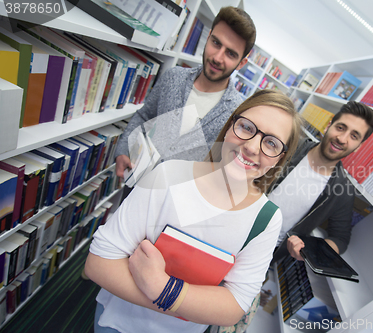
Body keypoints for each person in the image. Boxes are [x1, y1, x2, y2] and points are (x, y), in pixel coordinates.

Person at [84, 90, 303, 333]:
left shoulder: (267, 219)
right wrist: (185, 303)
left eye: (271, 143)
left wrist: (161, 287)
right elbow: (99, 264)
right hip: (117, 322)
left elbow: (234, 306)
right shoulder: (168, 176)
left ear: (279, 160)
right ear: (231, 125)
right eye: (247, 127)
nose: (251, 147)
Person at [114, 6, 257, 180]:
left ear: (241, 63)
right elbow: (144, 116)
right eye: (216, 43)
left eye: (231, 53)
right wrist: (123, 150)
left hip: (176, 202)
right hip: (137, 178)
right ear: (209, 36)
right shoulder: (173, 77)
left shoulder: (236, 115)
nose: (218, 58)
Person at [268, 101, 373, 263]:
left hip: (267, 254)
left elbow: (340, 238)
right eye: (340, 128)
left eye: (354, 136)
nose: (342, 139)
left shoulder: (342, 189)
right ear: (328, 126)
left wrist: (308, 250)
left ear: (358, 147)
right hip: (233, 223)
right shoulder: (291, 146)